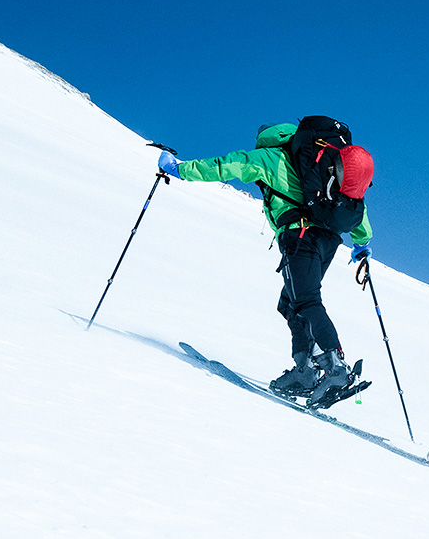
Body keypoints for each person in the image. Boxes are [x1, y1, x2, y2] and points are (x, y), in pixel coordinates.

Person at [156, 122, 374, 406]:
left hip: (300, 236)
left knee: (306, 302)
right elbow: (354, 202)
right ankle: (305, 372)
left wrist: (179, 170)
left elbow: (228, 165)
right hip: (328, 240)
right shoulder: (323, 160)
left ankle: (335, 368)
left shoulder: (272, 156)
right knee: (290, 304)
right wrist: (362, 241)